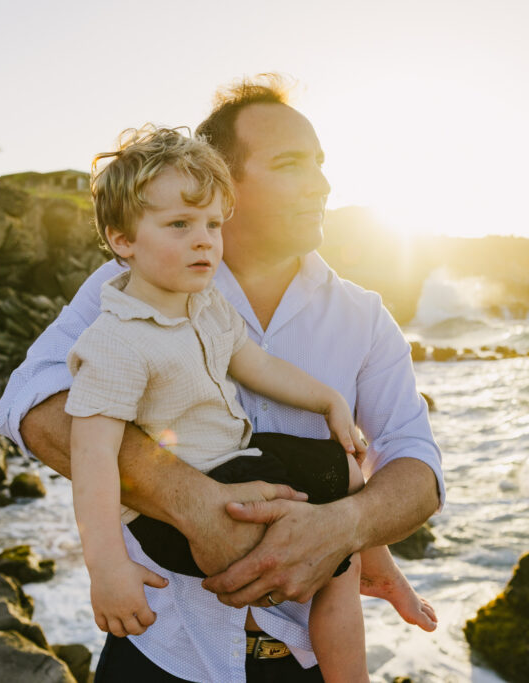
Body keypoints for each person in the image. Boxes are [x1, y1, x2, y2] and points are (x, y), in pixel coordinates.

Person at [0, 75, 445, 682]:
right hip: (163, 644)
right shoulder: (128, 293)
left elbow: (416, 466)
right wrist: (192, 505)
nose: (321, 182)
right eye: (290, 164)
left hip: (309, 657)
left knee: (341, 474)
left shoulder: (362, 316)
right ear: (223, 180)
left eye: (320, 162)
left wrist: (346, 530)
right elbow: (30, 404)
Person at [70, 125, 391, 681]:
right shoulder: (115, 341)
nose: (205, 241)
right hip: (178, 510)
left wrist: (329, 398)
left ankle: (368, 573)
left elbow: (254, 364)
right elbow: (93, 460)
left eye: (213, 224)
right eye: (180, 225)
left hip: (239, 459)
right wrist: (107, 568)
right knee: (326, 556)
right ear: (123, 240)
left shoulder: (205, 302)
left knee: (342, 479)